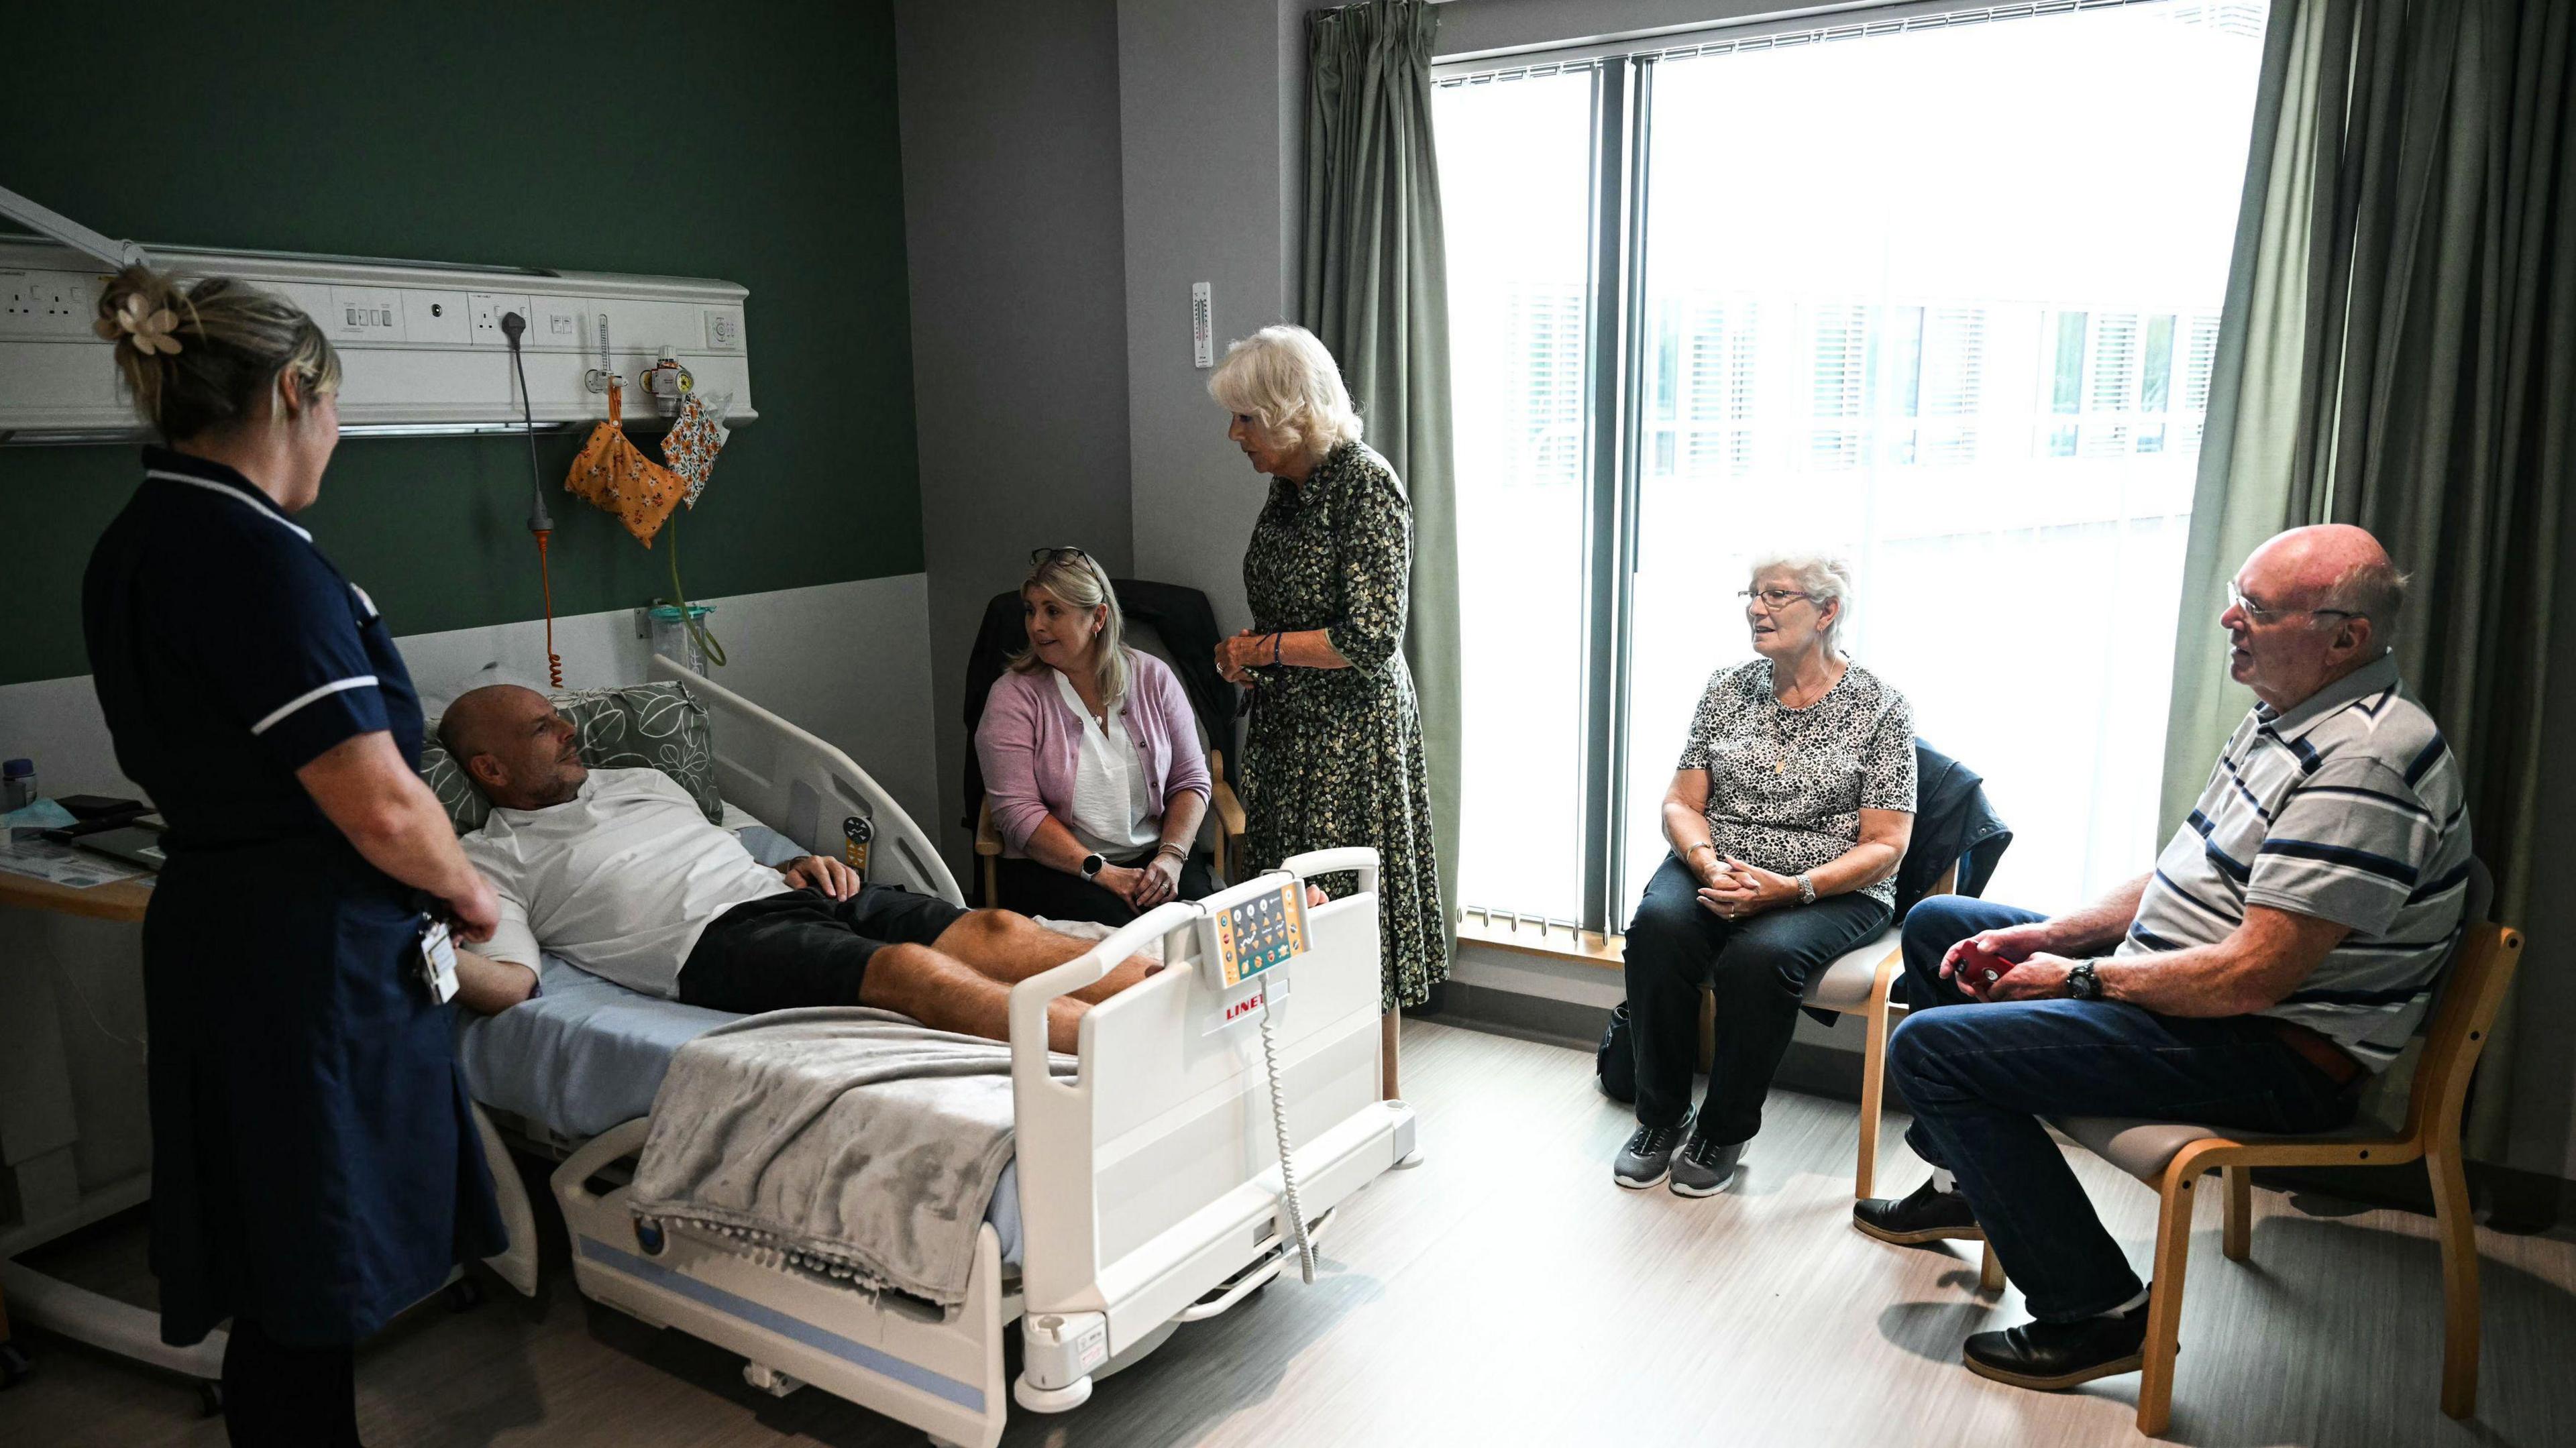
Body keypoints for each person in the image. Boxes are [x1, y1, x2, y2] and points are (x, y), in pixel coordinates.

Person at [1856, 524, 2471, 1394]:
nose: (2231, 617)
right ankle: (1967, 1183)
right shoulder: (2291, 718)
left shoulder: (2363, 762)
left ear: (2346, 637)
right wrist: (2050, 935)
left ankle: (2098, 1311)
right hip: (2201, 994)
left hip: (2273, 1050)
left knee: (1933, 1051)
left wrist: (2074, 974)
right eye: (2239, 594)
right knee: (1943, 926)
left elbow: (2253, 975)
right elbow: (2182, 869)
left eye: (2258, 608)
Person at [80, 266, 506, 1446]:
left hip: (225, 927)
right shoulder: (255, 556)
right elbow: (376, 801)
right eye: (334, 405)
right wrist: (471, 892)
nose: (339, 433)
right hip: (303, 954)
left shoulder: (137, 538)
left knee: (278, 1261)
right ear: (290, 390)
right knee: (312, 1255)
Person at [435, 685, 1155, 1052]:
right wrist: (427, 950)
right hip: (712, 948)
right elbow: (513, 984)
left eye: (557, 715)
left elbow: (727, 846)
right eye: (541, 728)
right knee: (910, 971)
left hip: (782, 890)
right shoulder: (493, 858)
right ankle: (1122, 1048)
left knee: (995, 926)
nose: (569, 728)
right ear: (491, 767)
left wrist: (801, 862)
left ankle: (1169, 997)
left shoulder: (640, 780)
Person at [1613, 554, 1918, 1196]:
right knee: (1657, 927)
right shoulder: (1727, 689)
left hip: (1830, 884)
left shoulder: (1882, 708)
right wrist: (1704, 862)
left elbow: (1887, 844)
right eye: (1752, 594)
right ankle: (1662, 1118)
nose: (1757, 608)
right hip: (1720, 862)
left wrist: (1793, 888)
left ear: (1827, 611)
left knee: (1759, 959)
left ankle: (1723, 1129)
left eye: (1777, 595)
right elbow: (1681, 802)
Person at [1208, 324, 1445, 1099]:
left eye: (1246, 416)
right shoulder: (1287, 488)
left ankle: (1379, 1098)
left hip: (1351, 734)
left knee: (1350, 910)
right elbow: (1282, 609)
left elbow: (1370, 637)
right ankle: (1298, 1090)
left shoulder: (1366, 484)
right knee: (1287, 900)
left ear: (1289, 410)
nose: (1234, 433)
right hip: (1286, 729)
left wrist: (1266, 650)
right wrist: (1246, 655)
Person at [975, 548, 1216, 925]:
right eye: (1030, 610)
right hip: (1059, 869)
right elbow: (1017, 812)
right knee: (1125, 948)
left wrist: (1171, 856)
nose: (1036, 625)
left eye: (1053, 611)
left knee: (1203, 932)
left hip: (1156, 857)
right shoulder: (1012, 697)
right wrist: (1103, 873)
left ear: (1098, 618)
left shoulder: (1154, 677)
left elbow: (1190, 779)